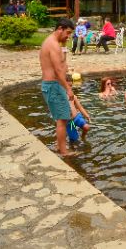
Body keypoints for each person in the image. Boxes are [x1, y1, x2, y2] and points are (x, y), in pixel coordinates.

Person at [40, 18, 77, 156]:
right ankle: (63, 151)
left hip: (54, 85)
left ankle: (58, 146)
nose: (68, 36)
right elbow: (57, 71)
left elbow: (61, 65)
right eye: (67, 33)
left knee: (63, 118)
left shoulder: (53, 42)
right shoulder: (53, 45)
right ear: (60, 28)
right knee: (62, 120)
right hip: (53, 85)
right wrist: (68, 88)